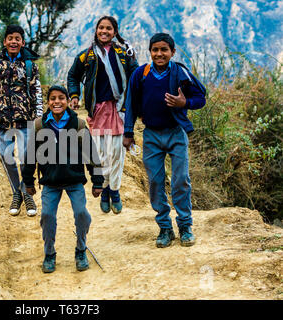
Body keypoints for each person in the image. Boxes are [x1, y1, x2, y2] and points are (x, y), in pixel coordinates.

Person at [123, 33, 206, 248]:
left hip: (176, 133)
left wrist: (183, 102)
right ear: (150, 51)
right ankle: (165, 228)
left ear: (172, 52)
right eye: (155, 50)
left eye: (164, 50)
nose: (159, 54)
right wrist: (128, 132)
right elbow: (130, 104)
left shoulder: (181, 72)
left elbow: (201, 98)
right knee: (156, 182)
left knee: (180, 179)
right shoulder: (141, 74)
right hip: (151, 136)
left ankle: (185, 226)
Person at [21, 85, 104, 273]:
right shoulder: (39, 125)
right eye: (52, 98)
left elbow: (91, 155)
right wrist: (28, 181)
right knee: (47, 216)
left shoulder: (78, 125)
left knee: (81, 214)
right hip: (50, 181)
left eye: (61, 98)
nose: (57, 102)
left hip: (74, 181)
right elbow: (30, 156)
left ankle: (81, 250)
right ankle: (49, 253)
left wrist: (97, 181)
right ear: (47, 102)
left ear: (68, 101)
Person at [67, 16, 138, 214]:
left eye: (108, 28)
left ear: (115, 32)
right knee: (100, 154)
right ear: (96, 30)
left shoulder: (124, 53)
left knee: (117, 153)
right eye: (101, 28)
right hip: (97, 110)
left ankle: (113, 190)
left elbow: (136, 76)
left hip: (119, 109)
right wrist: (73, 95)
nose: (104, 31)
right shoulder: (86, 56)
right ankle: (105, 189)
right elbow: (73, 75)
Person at [0, 25, 43, 217]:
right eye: (10, 38)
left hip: (25, 119)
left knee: (26, 158)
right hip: (2, 120)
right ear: (5, 42)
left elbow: (36, 92)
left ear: (23, 42)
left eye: (17, 38)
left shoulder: (30, 65)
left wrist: (39, 118)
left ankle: (27, 193)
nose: (14, 41)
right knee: (7, 157)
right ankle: (16, 192)